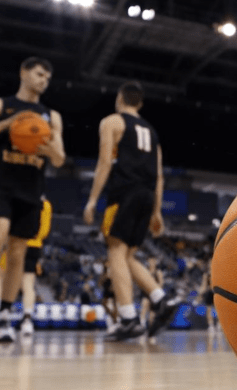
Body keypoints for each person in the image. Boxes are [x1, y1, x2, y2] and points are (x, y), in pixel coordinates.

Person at [83, 81, 179, 341]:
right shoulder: (152, 132)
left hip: (124, 193)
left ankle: (127, 318)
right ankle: (161, 299)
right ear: (141, 103)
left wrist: (92, 200)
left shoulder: (112, 122)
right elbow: (159, 176)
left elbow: (104, 163)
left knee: (114, 250)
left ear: (120, 98)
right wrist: (157, 210)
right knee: (127, 256)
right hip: (146, 196)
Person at [0, 57, 66, 342]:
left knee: (17, 256)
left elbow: (60, 158)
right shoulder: (4, 105)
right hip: (1, 186)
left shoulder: (51, 116)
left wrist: (49, 147)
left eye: (47, 78)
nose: (43, 81)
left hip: (31, 191)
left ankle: (4, 315)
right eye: (39, 74)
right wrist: (12, 123)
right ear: (23, 72)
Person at [18, 197, 52, 337]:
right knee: (28, 284)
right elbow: (45, 231)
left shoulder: (15, 198)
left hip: (14, 243)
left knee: (3, 280)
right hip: (34, 245)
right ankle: (27, 321)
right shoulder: (45, 204)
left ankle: (4, 318)